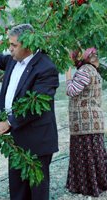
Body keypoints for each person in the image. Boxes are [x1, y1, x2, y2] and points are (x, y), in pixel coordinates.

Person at [0, 24, 59, 199]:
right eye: (9, 44)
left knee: (37, 192)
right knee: (18, 191)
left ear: (27, 44)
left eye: (14, 45)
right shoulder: (12, 60)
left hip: (37, 142)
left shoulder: (46, 68)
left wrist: (9, 122)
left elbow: (36, 107)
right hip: (17, 140)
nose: (10, 49)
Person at [65, 47, 107, 197]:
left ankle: (88, 187)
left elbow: (72, 90)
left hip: (85, 122)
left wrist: (68, 78)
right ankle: (99, 184)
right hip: (93, 122)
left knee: (86, 155)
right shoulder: (94, 71)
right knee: (95, 155)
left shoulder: (84, 71)